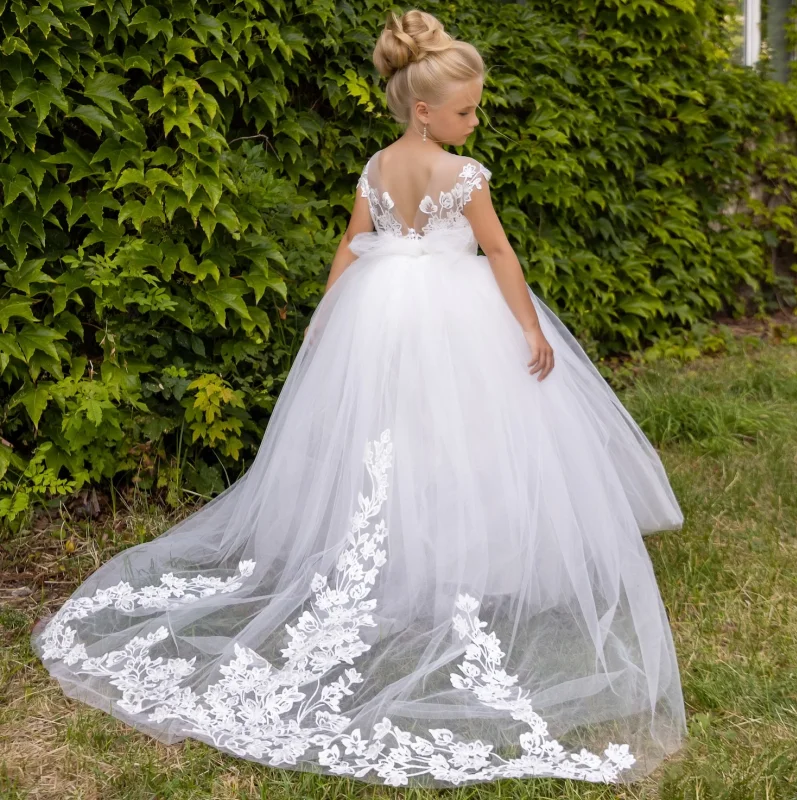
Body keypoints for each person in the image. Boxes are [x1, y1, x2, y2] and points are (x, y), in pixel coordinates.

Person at [31, 8, 688, 789]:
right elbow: (500, 251)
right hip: (454, 317)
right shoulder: (464, 177)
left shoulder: (377, 167)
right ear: (424, 108)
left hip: (377, 313)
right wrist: (528, 329)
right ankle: (454, 564)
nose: (475, 120)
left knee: (394, 438)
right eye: (467, 109)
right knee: (464, 436)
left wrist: (327, 313)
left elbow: (351, 243)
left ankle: (415, 561)